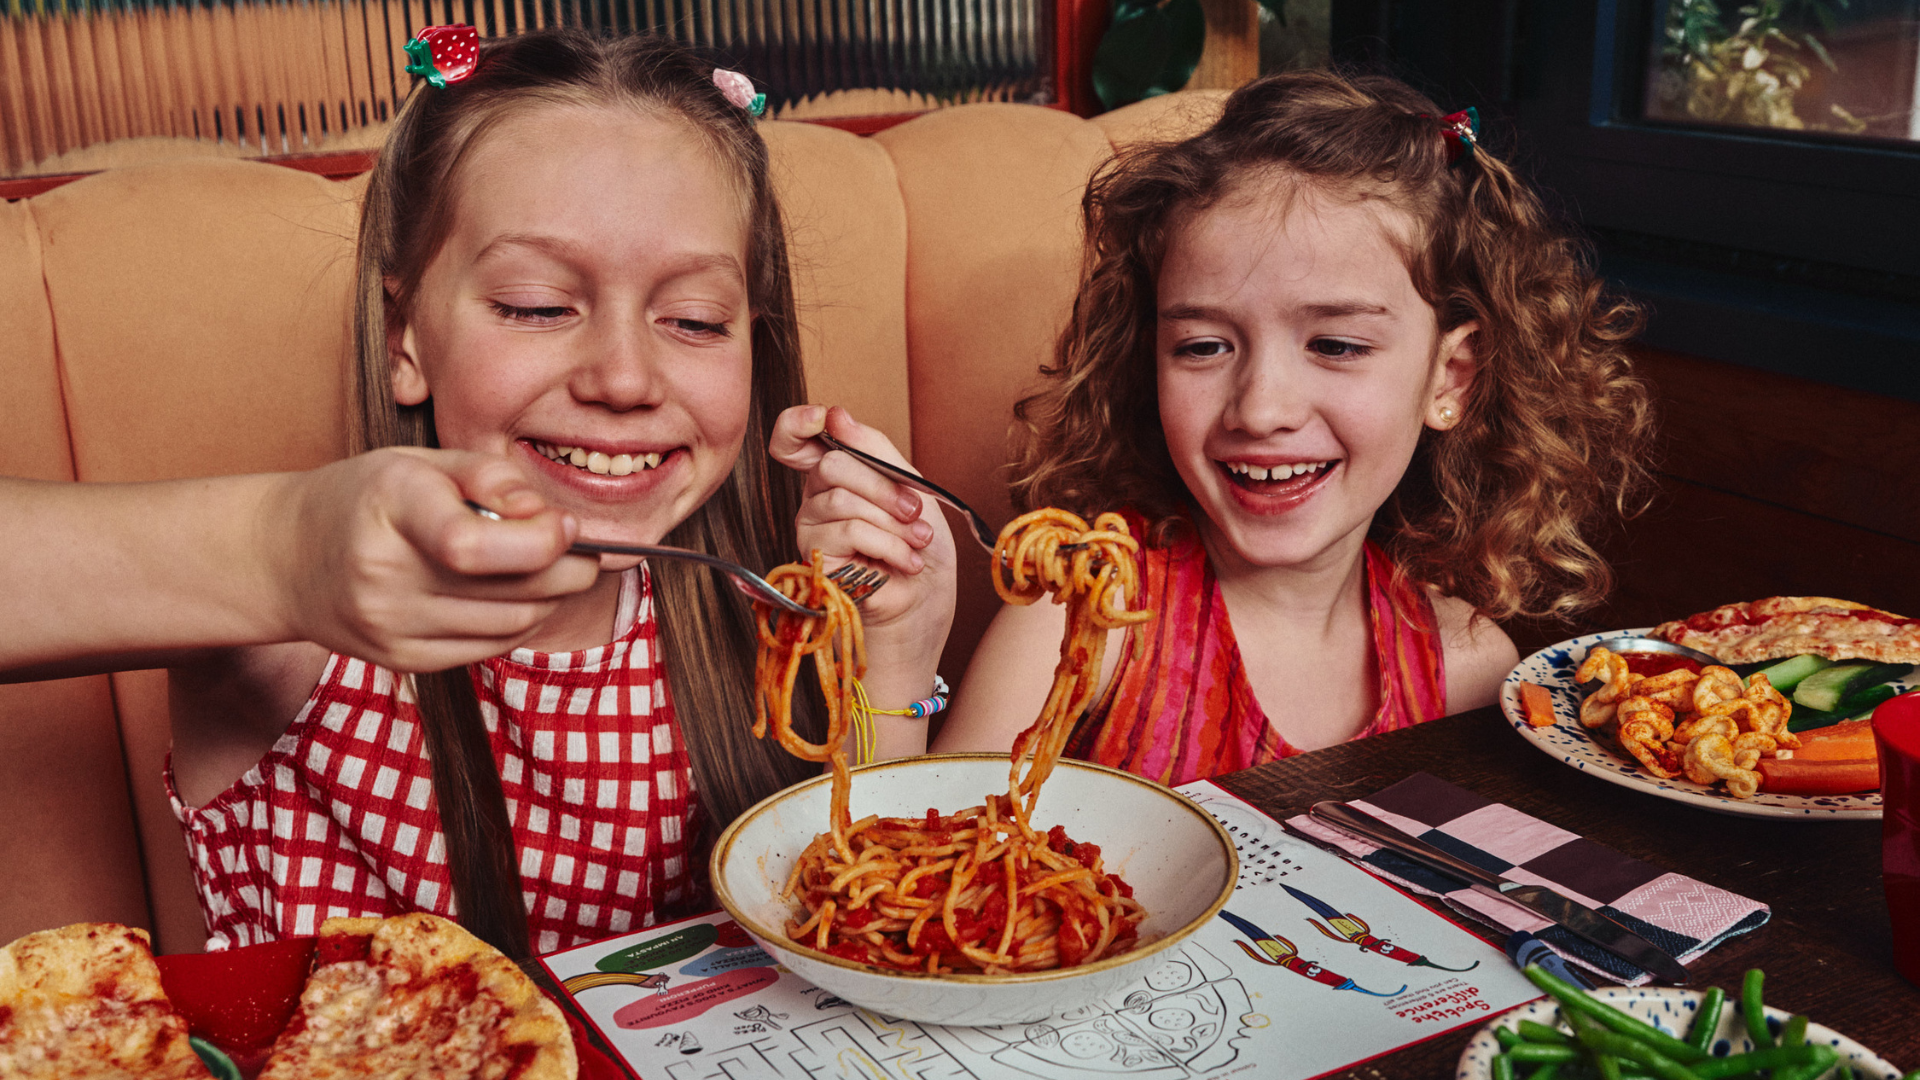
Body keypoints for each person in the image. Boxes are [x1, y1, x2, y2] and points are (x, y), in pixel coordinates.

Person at [0, 30, 954, 956]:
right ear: (404, 337)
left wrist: (896, 667)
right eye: (536, 307)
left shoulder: (773, 626)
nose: (623, 377)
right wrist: (280, 550)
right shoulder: (292, 630)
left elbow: (857, 944)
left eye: (695, 320)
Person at [935, 70, 1652, 785]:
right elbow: (925, 857)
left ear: (1449, 379)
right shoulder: (1085, 620)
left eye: (1336, 346)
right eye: (1203, 347)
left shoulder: (1468, 667)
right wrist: (901, 654)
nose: (1261, 409)